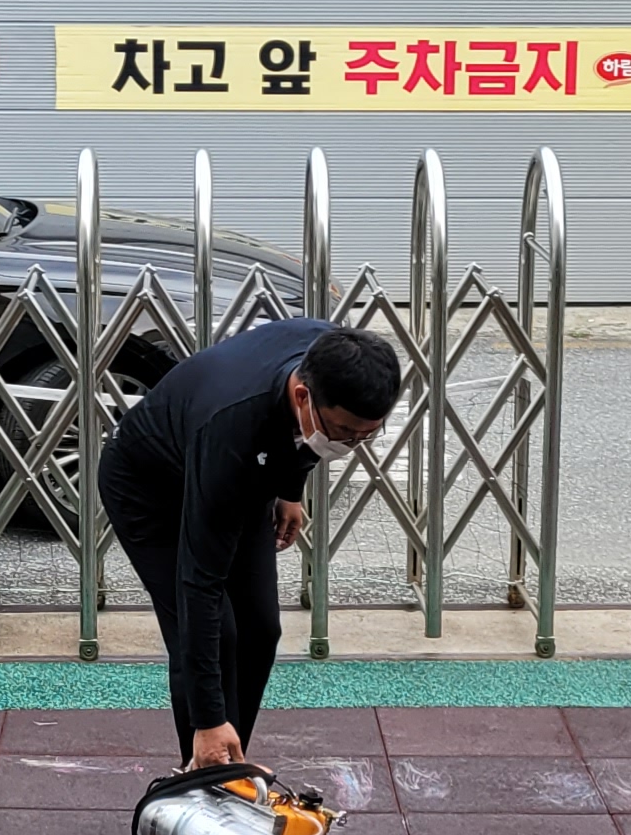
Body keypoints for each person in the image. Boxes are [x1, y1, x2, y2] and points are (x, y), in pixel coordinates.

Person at [99, 317, 403, 766]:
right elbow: (198, 584)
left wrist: (290, 489)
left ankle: (229, 761)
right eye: (344, 433)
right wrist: (208, 719)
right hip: (149, 487)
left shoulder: (336, 353)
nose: (351, 443)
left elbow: (307, 438)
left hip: (241, 468)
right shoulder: (233, 428)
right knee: (214, 629)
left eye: (367, 434)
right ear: (303, 396)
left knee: (260, 630)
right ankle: (204, 767)